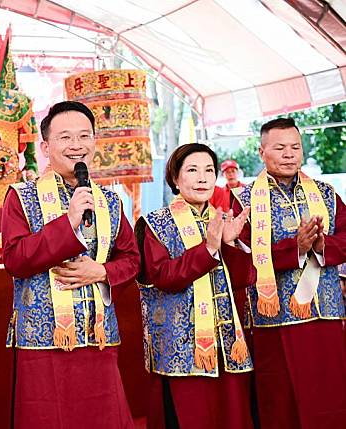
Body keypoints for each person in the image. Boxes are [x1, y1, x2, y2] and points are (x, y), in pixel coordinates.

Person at [1, 101, 140, 429]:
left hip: (98, 334)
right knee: (48, 417)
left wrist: (103, 272)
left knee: (103, 417)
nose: (76, 145)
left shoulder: (109, 200)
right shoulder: (21, 196)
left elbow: (132, 259)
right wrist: (69, 221)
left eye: (84, 136)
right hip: (43, 337)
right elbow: (15, 259)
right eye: (65, 137)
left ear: (95, 143)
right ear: (46, 147)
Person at [232, 117, 346, 429]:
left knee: (331, 397)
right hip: (276, 318)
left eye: (295, 147)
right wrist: (294, 247)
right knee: (282, 403)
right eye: (280, 148)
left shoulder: (324, 193)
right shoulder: (243, 200)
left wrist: (322, 245)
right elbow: (241, 257)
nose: (289, 154)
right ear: (261, 151)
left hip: (326, 313)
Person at [135, 143, 256, 429]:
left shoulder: (220, 219)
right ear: (175, 178)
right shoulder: (155, 224)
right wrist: (209, 249)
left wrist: (230, 243)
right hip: (180, 347)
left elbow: (242, 280)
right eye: (192, 170)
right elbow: (164, 277)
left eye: (208, 170)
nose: (202, 178)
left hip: (224, 342)